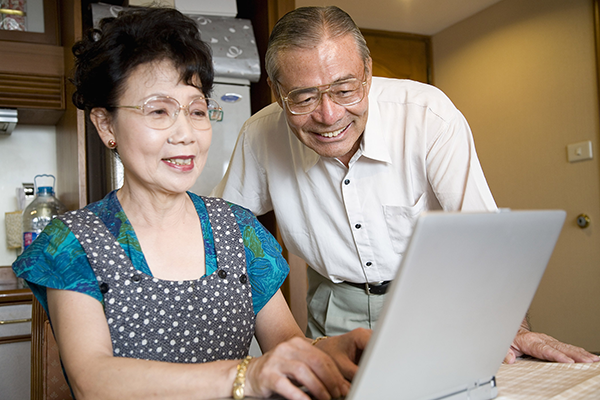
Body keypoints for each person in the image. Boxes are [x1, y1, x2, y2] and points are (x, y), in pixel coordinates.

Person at [12, 7, 370, 400]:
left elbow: (285, 345)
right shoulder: (73, 241)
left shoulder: (239, 230)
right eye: (158, 111)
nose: (185, 133)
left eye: (197, 110)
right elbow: (93, 379)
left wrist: (328, 352)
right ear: (106, 124)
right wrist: (244, 377)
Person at [213, 6, 600, 365]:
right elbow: (224, 234)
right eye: (303, 97)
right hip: (333, 309)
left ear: (367, 72)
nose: (329, 116)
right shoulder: (259, 135)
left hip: (433, 301)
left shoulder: (427, 114)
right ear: (278, 92)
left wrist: (509, 325)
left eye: (345, 90)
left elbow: (482, 233)